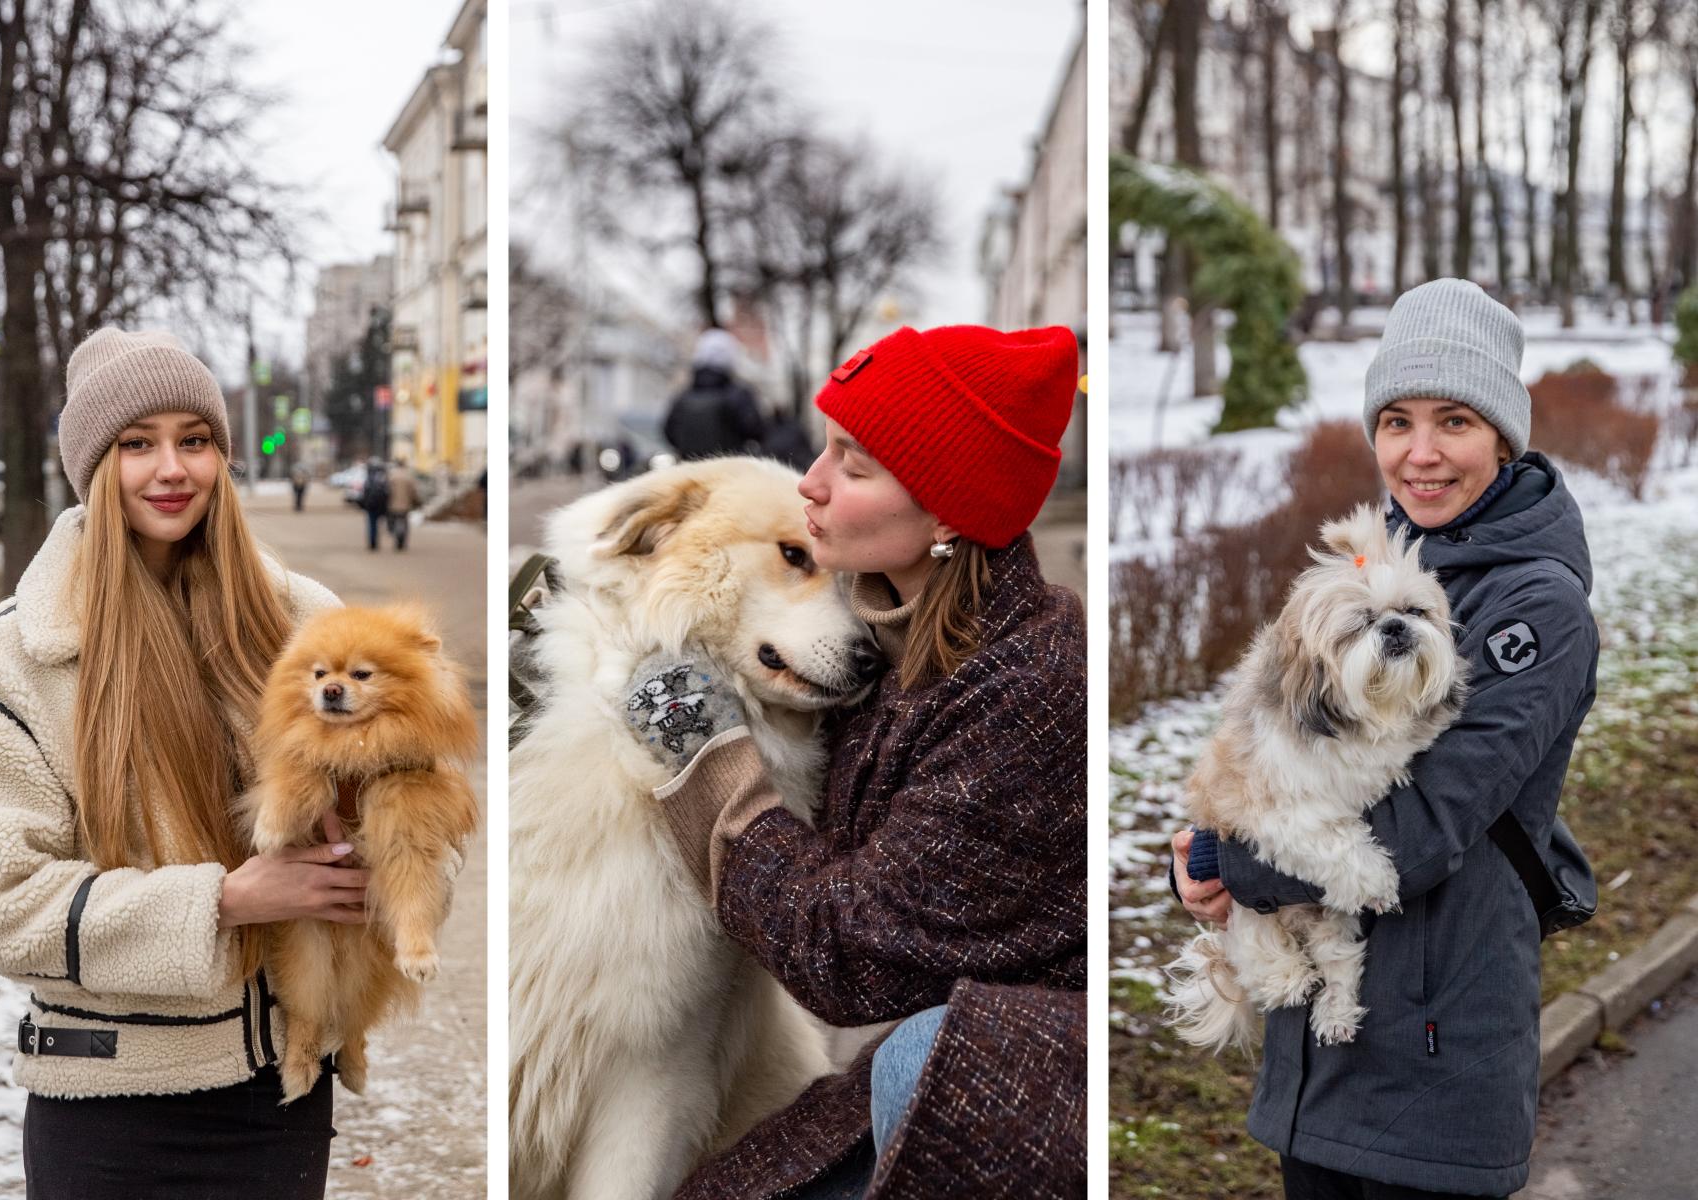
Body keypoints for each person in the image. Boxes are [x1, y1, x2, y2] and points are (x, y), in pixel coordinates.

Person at [621, 325, 1088, 1197]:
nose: (811, 482)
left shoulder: (1026, 687)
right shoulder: (896, 628)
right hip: (941, 1050)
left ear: (949, 508)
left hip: (1021, 1085)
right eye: (825, 445)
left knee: (909, 1066)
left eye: (855, 464)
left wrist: (712, 765)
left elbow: (846, 949)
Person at [1172, 278, 1601, 1200]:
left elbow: (1419, 832)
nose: (1421, 454)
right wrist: (1211, 841)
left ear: (1503, 435)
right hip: (1329, 1045)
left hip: (1436, 1049)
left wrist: (1228, 861)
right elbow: (1285, 749)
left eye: (1454, 420)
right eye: (1396, 421)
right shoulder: (1384, 566)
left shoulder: (1538, 607)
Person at [0, 329, 362, 1198]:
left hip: (278, 1096)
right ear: (94, 465)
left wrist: (381, 858)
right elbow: (3, 905)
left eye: (194, 440)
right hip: (104, 1110)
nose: (172, 469)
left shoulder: (302, 624)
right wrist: (229, 899)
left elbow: (421, 805)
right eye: (137, 444)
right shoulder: (12, 658)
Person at [662, 328, 766, 461]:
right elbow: (757, 431)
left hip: (690, 472)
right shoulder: (739, 395)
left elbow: (668, 431)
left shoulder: (683, 397)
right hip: (727, 473)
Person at [385, 456, 417, 551]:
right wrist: (415, 501)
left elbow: (386, 489)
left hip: (393, 503)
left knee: (395, 522)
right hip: (405, 503)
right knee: (404, 522)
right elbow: (413, 491)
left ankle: (396, 538)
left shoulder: (391, 475)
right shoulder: (408, 475)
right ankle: (402, 541)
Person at [359, 457, 389, 551]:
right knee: (378, 524)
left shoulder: (369, 478)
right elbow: (386, 492)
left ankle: (373, 542)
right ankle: (374, 541)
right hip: (380, 506)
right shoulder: (382, 478)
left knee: (372, 524)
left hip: (371, 506)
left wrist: (364, 504)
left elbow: (365, 492)